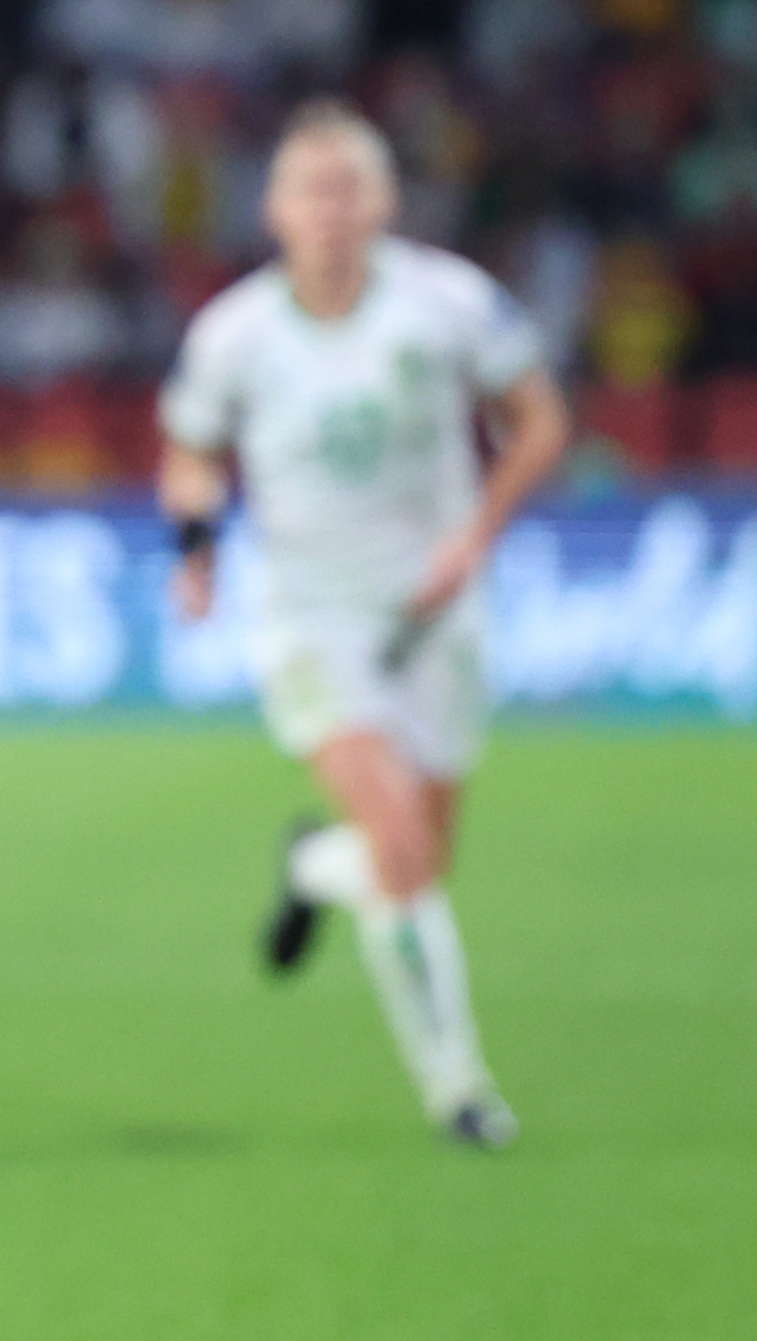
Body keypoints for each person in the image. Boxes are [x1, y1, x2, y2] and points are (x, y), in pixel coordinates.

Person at [157, 102, 571, 1147]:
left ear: (384, 202)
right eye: (312, 191)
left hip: (434, 611)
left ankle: (309, 868)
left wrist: (474, 537)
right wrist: (196, 550)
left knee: (418, 858)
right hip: (308, 615)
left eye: (351, 190)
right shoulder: (234, 332)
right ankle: (460, 1091)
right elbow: (190, 448)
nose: (332, 212)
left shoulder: (446, 304)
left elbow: (540, 421)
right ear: (274, 209)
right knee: (397, 839)